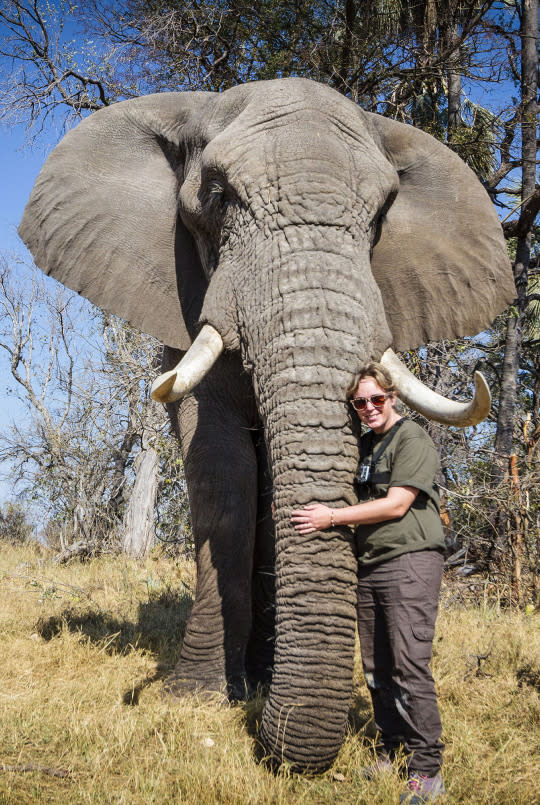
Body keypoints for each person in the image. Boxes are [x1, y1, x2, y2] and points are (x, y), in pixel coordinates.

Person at [291, 362, 446, 804]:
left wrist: (332, 517)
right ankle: (392, 749)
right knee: (377, 666)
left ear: (392, 396)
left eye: (376, 399)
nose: (369, 408)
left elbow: (398, 505)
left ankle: (427, 770)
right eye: (360, 402)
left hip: (410, 561)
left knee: (408, 664)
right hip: (372, 563)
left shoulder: (412, 439)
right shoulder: (366, 445)